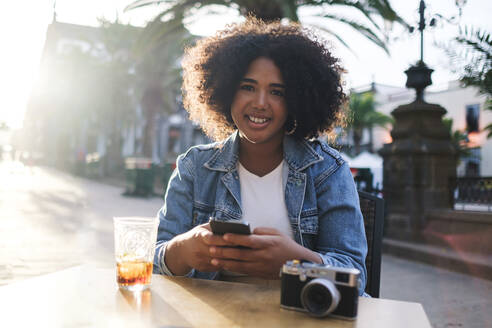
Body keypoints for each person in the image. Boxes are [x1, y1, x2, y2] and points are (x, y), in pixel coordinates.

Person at [153, 18, 368, 295]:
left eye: (277, 92)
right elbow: (154, 260)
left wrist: (296, 262)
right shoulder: (194, 167)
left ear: (295, 100)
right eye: (248, 87)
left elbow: (355, 275)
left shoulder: (327, 170)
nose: (260, 103)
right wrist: (181, 251)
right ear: (226, 91)